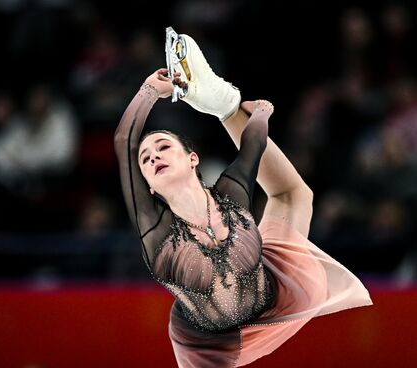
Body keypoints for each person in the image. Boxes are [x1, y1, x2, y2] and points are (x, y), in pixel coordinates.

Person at [114, 28, 372, 367]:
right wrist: (150, 91)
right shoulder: (154, 230)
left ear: (193, 158)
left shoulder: (229, 195)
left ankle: (222, 102)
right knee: (290, 195)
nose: (154, 157)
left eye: (163, 147)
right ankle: (223, 103)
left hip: (273, 296)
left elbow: (253, 145)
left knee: (293, 194)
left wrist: (257, 112)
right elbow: (124, 141)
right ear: (147, 186)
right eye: (146, 160)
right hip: (208, 345)